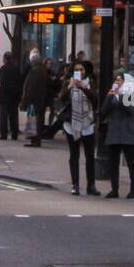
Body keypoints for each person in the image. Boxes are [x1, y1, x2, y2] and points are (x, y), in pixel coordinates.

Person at [60, 63, 99, 196]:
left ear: (86, 71)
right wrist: (70, 86)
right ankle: (75, 185)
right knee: (74, 155)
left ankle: (91, 185)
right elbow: (61, 98)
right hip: (72, 124)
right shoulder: (68, 82)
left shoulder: (90, 83)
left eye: (81, 70)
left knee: (89, 156)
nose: (79, 72)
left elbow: (95, 99)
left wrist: (83, 87)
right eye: (76, 70)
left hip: (87, 122)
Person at [102, 68, 134, 199]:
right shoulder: (113, 93)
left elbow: (133, 110)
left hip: (128, 132)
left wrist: (121, 96)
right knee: (113, 163)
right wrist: (111, 95)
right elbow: (104, 111)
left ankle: (133, 190)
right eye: (116, 79)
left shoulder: (131, 93)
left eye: (119, 79)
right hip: (114, 132)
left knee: (131, 162)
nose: (117, 82)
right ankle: (114, 189)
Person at [21, 49, 47, 147]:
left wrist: (27, 99)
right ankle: (35, 139)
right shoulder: (42, 70)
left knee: (34, 120)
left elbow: (31, 87)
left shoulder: (35, 71)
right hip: (40, 99)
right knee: (37, 120)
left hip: (35, 100)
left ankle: (35, 140)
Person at [0, 51, 22, 140]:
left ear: (5, 59)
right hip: (14, 96)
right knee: (14, 116)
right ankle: (14, 133)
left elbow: (3, 83)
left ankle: (4, 134)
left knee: (3, 116)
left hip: (4, 95)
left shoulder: (2, 69)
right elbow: (19, 83)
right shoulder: (16, 69)